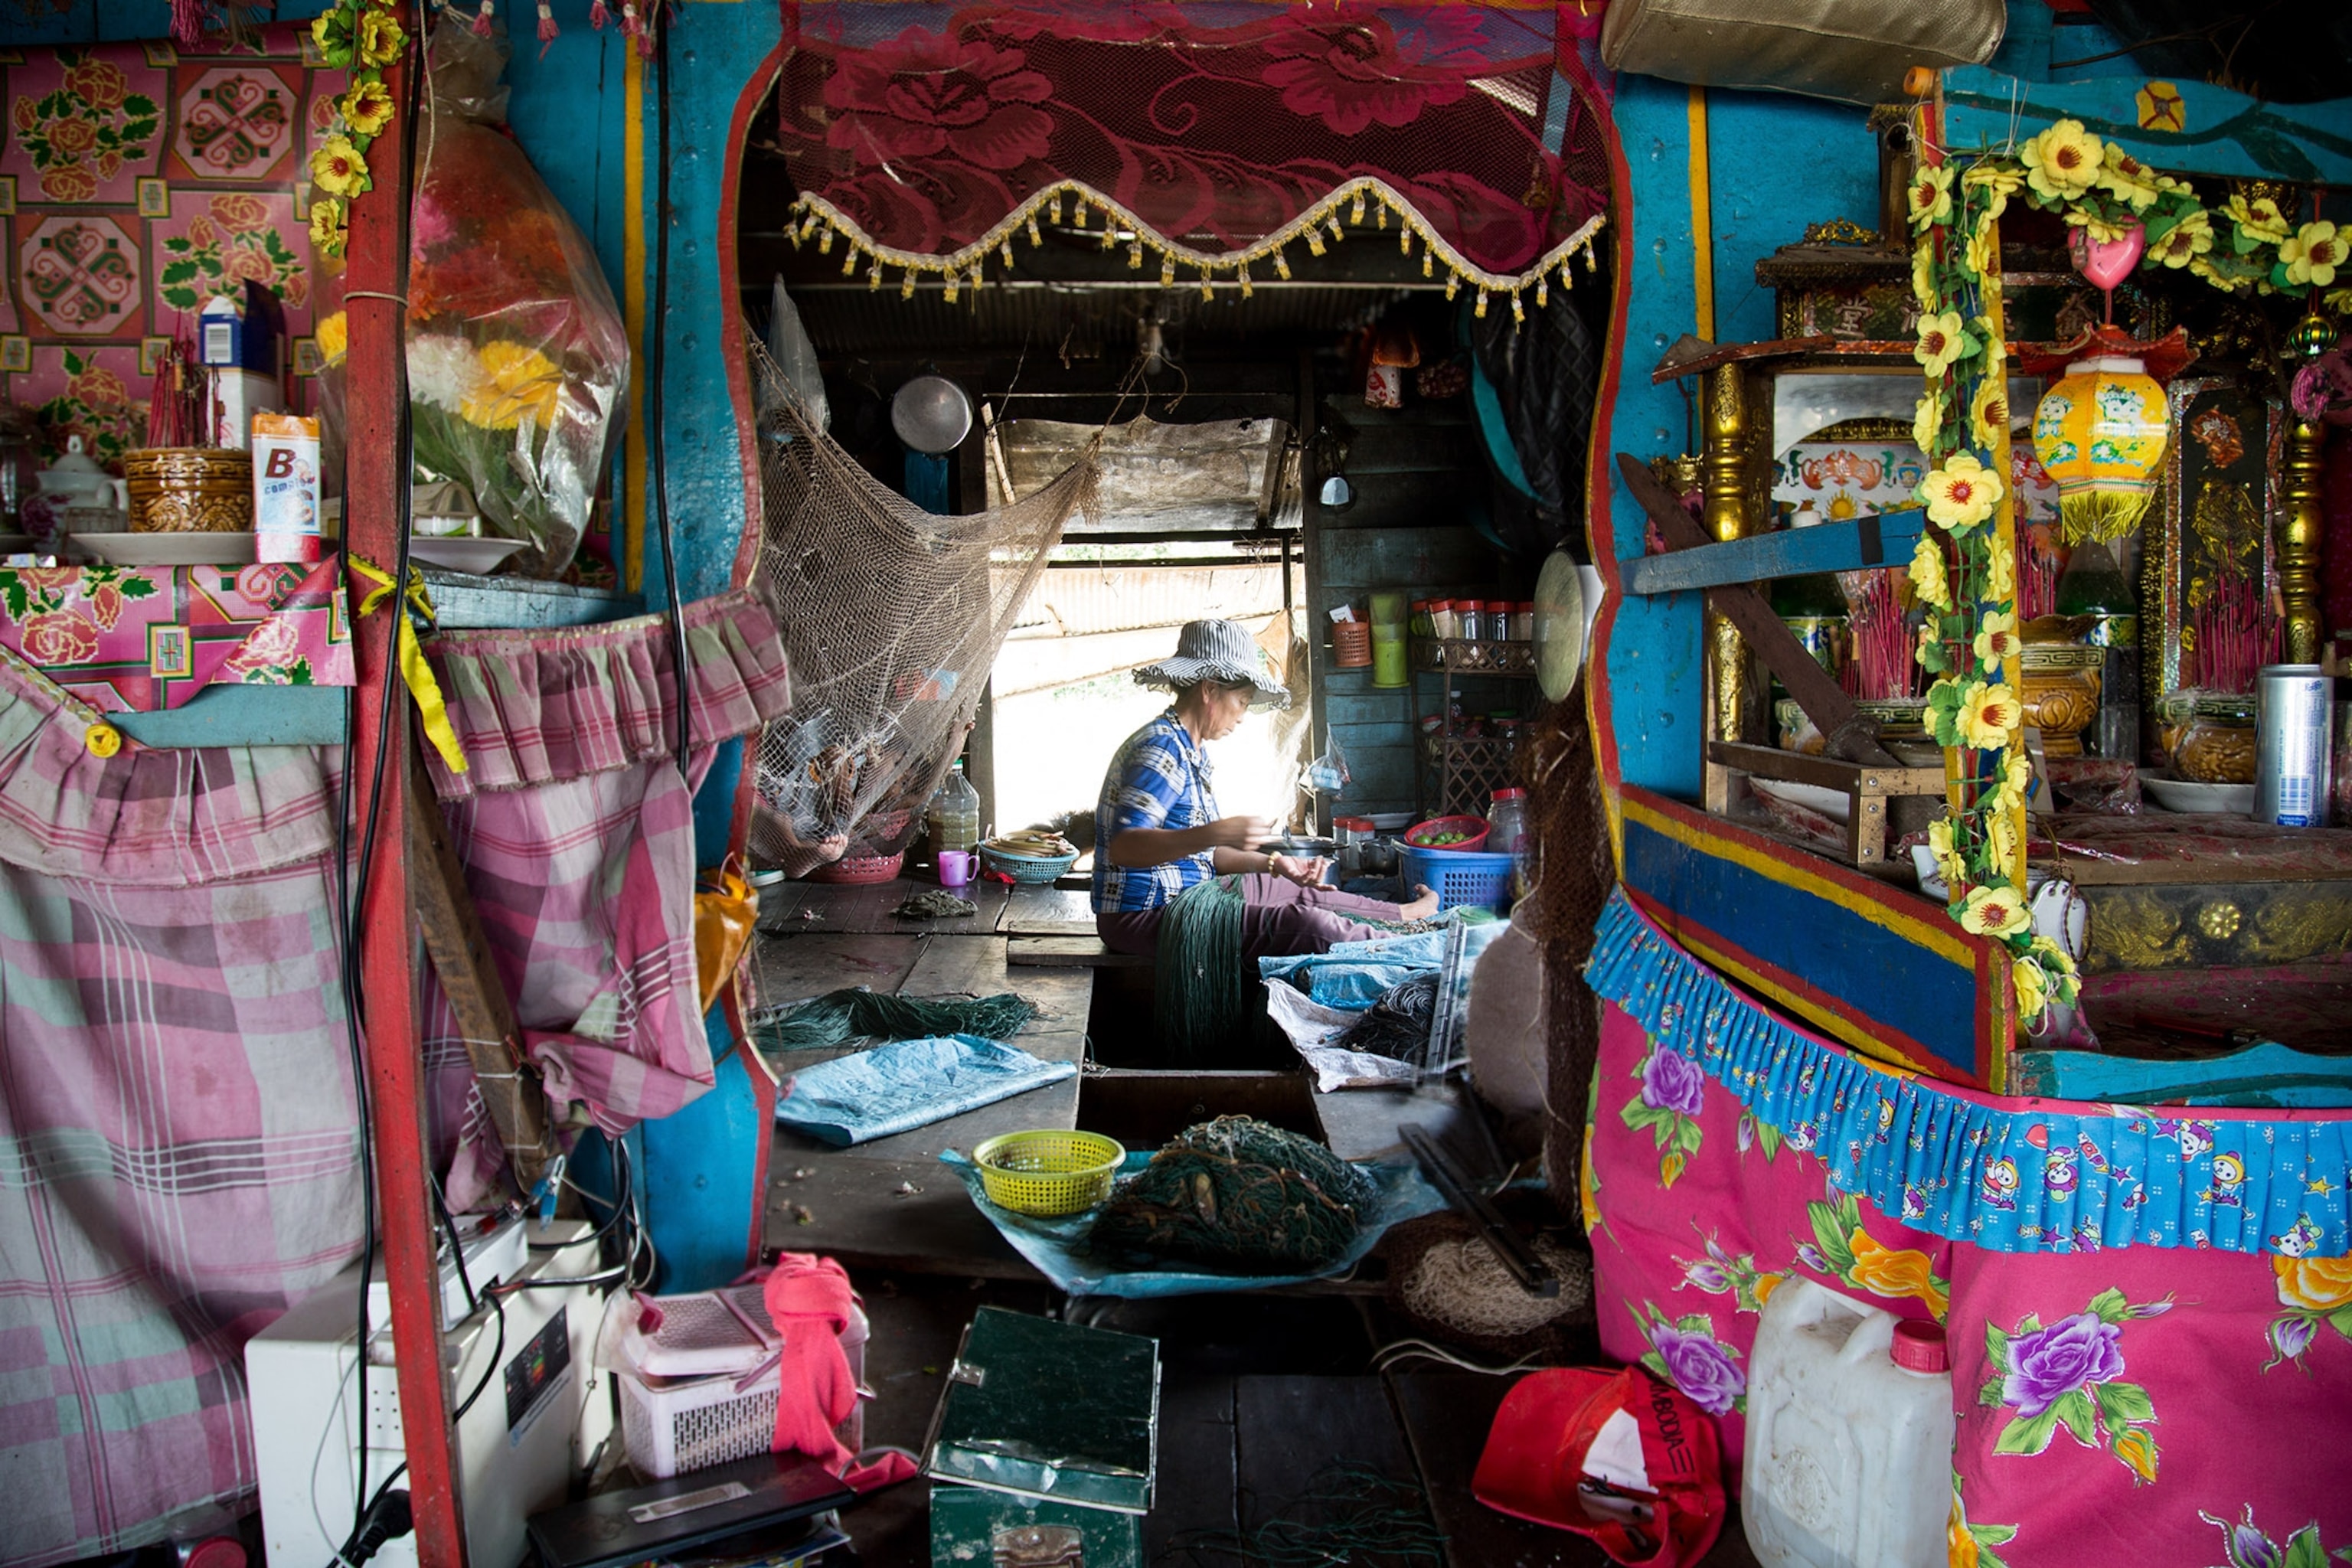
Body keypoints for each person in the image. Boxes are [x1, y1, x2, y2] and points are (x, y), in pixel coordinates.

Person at [1091, 619, 1437, 959]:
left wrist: (1276, 864)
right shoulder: (1160, 748)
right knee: (1304, 924)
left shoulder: (1188, 748)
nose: (1242, 716)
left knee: (1295, 890)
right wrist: (1214, 832)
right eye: (1242, 701)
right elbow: (1126, 848)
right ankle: (1404, 945)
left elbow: (1208, 857)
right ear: (1209, 689)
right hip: (1142, 917)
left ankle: (1404, 917)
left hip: (1189, 896)